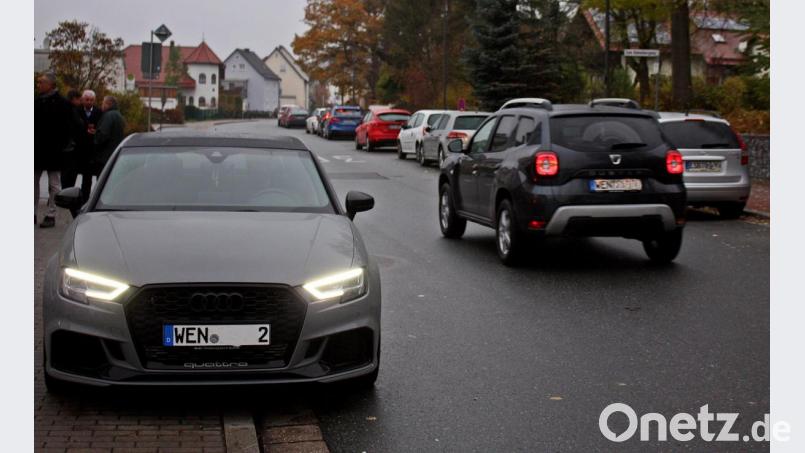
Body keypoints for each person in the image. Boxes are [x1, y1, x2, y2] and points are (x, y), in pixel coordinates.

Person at [34, 72, 74, 228]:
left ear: (51, 84)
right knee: (33, 182)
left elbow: (68, 127)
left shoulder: (62, 104)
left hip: (55, 150)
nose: (39, 85)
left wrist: (64, 145)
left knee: (54, 184)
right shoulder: (36, 102)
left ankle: (51, 214)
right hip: (37, 148)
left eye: (42, 82)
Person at [75, 90, 102, 210]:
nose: (89, 102)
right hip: (79, 149)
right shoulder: (77, 111)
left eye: (91, 100)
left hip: (92, 150)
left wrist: (95, 133)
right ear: (82, 100)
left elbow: (100, 127)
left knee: (88, 178)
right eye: (87, 99)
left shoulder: (98, 112)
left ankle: (86, 200)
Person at [60, 90, 84, 213]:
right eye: (79, 99)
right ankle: (66, 196)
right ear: (74, 99)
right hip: (70, 149)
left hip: (68, 148)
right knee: (68, 175)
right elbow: (77, 125)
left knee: (66, 175)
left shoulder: (67, 108)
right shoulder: (71, 110)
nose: (80, 102)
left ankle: (64, 194)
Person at [91, 95, 125, 174]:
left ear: (108, 104)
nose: (101, 105)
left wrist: (96, 136)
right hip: (114, 155)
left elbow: (103, 135)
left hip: (105, 157)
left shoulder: (108, 116)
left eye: (103, 103)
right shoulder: (119, 115)